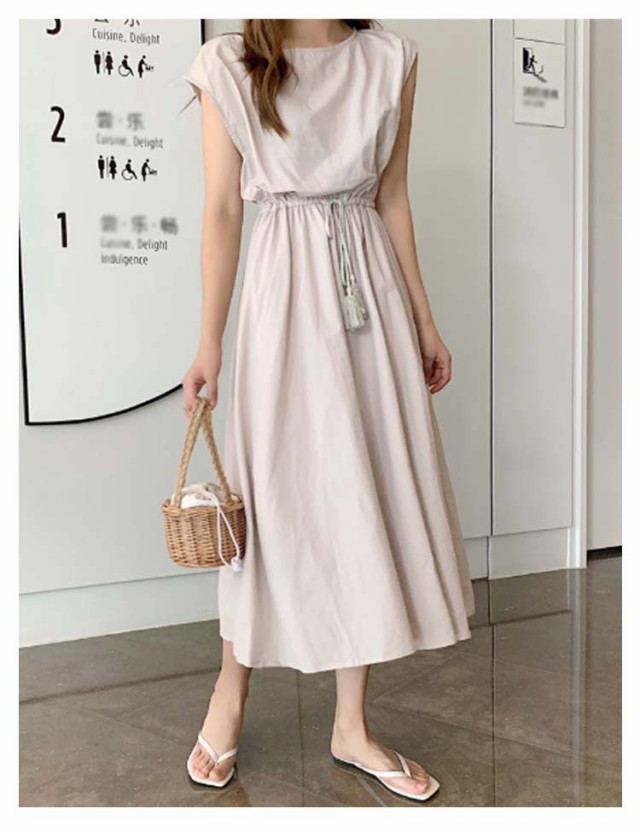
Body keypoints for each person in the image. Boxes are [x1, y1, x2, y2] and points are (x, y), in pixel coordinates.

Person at [181, 19, 475, 803]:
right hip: (281, 297)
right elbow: (221, 210)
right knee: (270, 496)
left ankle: (352, 724)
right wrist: (208, 342)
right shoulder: (228, 62)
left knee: (361, 491)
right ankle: (230, 693)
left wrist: (424, 319)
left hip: (367, 298)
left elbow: (393, 196)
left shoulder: (391, 59)